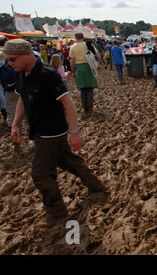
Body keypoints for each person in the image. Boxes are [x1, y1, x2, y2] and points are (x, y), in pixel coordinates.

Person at [4, 39, 108, 227]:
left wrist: (74, 131)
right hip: (38, 130)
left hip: (52, 131)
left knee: (41, 174)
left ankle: (57, 214)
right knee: (67, 160)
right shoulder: (20, 73)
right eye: (8, 60)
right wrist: (15, 124)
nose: (9, 63)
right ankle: (96, 185)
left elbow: (68, 103)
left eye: (12, 59)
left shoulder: (47, 74)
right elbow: (22, 100)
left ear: (27, 55)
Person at [69, 32, 99, 114]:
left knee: (82, 89)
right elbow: (97, 56)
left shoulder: (72, 47)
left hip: (79, 68)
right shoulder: (88, 45)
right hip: (88, 67)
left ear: (75, 38)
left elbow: (72, 61)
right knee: (89, 88)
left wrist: (73, 71)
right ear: (83, 37)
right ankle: (90, 108)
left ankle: (85, 108)